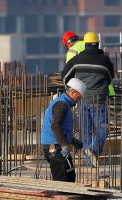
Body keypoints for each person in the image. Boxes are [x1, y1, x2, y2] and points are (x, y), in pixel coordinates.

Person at [62, 31, 114, 167]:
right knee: (103, 127)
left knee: (86, 132)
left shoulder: (77, 59)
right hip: (98, 99)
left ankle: (90, 161)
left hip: (82, 99)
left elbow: (65, 76)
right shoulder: (105, 60)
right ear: (97, 44)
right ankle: (94, 149)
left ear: (85, 44)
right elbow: (109, 78)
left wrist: (75, 87)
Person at [41, 78, 85, 182]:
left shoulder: (65, 104)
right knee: (62, 179)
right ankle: (61, 198)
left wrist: (72, 140)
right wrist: (65, 144)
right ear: (73, 92)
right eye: (78, 97)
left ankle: (67, 198)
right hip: (55, 147)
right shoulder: (62, 105)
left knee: (70, 176)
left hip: (59, 145)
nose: (79, 100)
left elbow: (62, 127)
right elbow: (55, 126)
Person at [62, 31, 116, 98]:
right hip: (106, 92)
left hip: (84, 93)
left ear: (68, 44)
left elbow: (68, 74)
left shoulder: (72, 51)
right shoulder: (91, 44)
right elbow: (109, 73)